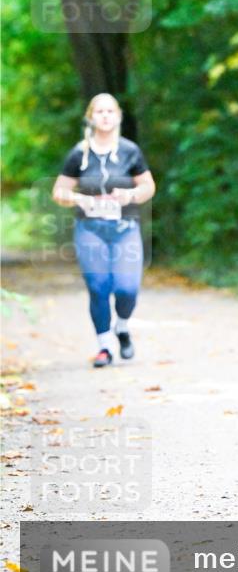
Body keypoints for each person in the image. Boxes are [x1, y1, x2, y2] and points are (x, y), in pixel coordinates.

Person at [52, 93, 156, 368]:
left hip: (124, 228)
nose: (106, 116)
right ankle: (104, 346)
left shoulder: (129, 151)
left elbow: (148, 187)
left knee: (127, 289)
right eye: (100, 111)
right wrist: (79, 199)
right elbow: (59, 191)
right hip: (91, 229)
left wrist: (130, 195)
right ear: (91, 117)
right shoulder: (79, 153)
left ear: (119, 116)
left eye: (110, 111)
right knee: (98, 287)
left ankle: (121, 327)